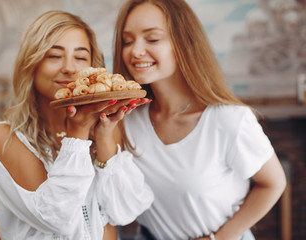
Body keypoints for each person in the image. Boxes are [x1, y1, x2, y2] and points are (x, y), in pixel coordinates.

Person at [112, 0, 287, 239]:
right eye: (127, 41)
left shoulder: (228, 119)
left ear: (183, 43)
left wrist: (222, 237)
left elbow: (274, 183)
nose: (135, 50)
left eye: (152, 39)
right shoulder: (126, 120)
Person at [0, 10, 153, 240]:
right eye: (54, 56)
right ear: (31, 64)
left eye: (81, 57)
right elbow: (53, 217)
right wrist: (78, 134)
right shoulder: (4, 136)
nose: (70, 68)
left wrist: (103, 138)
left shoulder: (105, 128)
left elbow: (127, 210)